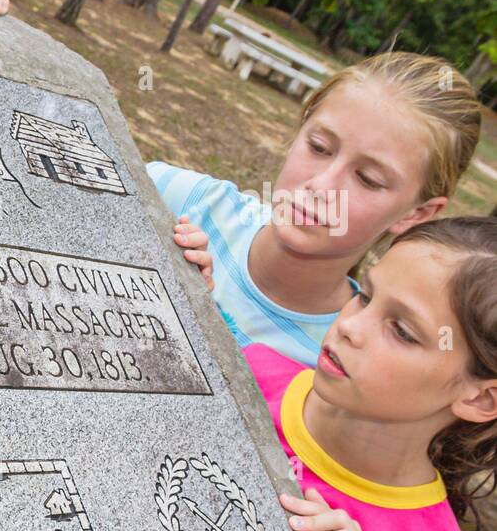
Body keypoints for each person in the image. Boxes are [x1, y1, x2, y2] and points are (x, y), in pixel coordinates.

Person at [246, 216, 496, 531]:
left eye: (401, 331)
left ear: (480, 397)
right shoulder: (245, 372)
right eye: (364, 294)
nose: (350, 327)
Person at [153, 52, 481, 367]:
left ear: (416, 214)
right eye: (319, 147)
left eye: (368, 179)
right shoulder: (175, 199)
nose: (322, 186)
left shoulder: (343, 359)